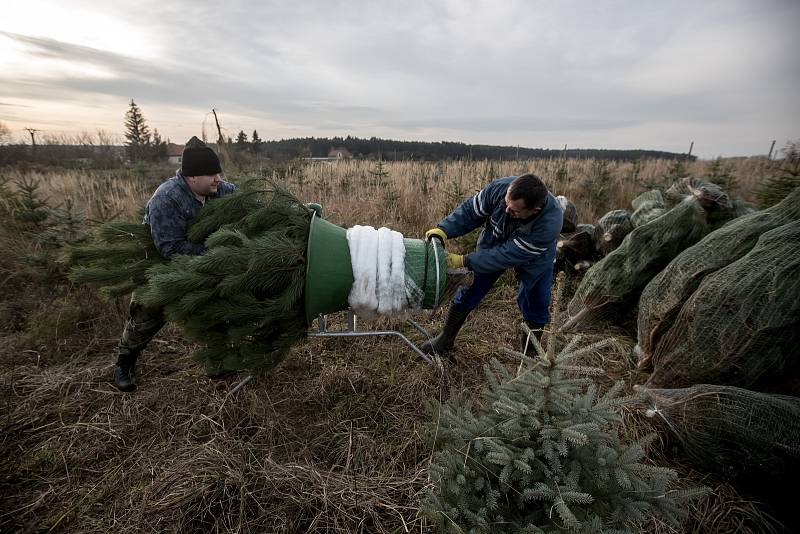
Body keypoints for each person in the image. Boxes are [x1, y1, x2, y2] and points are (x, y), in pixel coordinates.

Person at [113, 136, 236, 392]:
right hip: (162, 265)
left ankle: (218, 361)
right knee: (147, 316)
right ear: (192, 178)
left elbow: (247, 202)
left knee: (217, 307)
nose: (218, 178)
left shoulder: (220, 190)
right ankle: (125, 362)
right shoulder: (167, 198)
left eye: (218, 173)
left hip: (205, 263)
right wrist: (216, 253)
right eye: (211, 174)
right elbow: (169, 248)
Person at [422, 173, 563, 356]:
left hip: (534, 258)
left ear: (534, 210)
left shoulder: (549, 223)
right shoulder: (499, 189)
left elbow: (506, 255)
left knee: (537, 299)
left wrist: (465, 260)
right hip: (494, 240)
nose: (506, 211)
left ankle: (530, 355)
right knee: (471, 286)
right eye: (506, 204)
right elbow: (470, 212)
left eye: (514, 211)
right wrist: (443, 230)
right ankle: (445, 339)